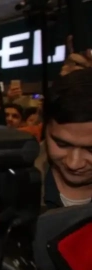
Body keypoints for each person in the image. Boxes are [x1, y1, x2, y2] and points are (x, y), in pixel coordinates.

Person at [37, 68, 92, 208]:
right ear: (46, 128)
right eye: (61, 144)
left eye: (91, 150)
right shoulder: (9, 186)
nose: (74, 164)